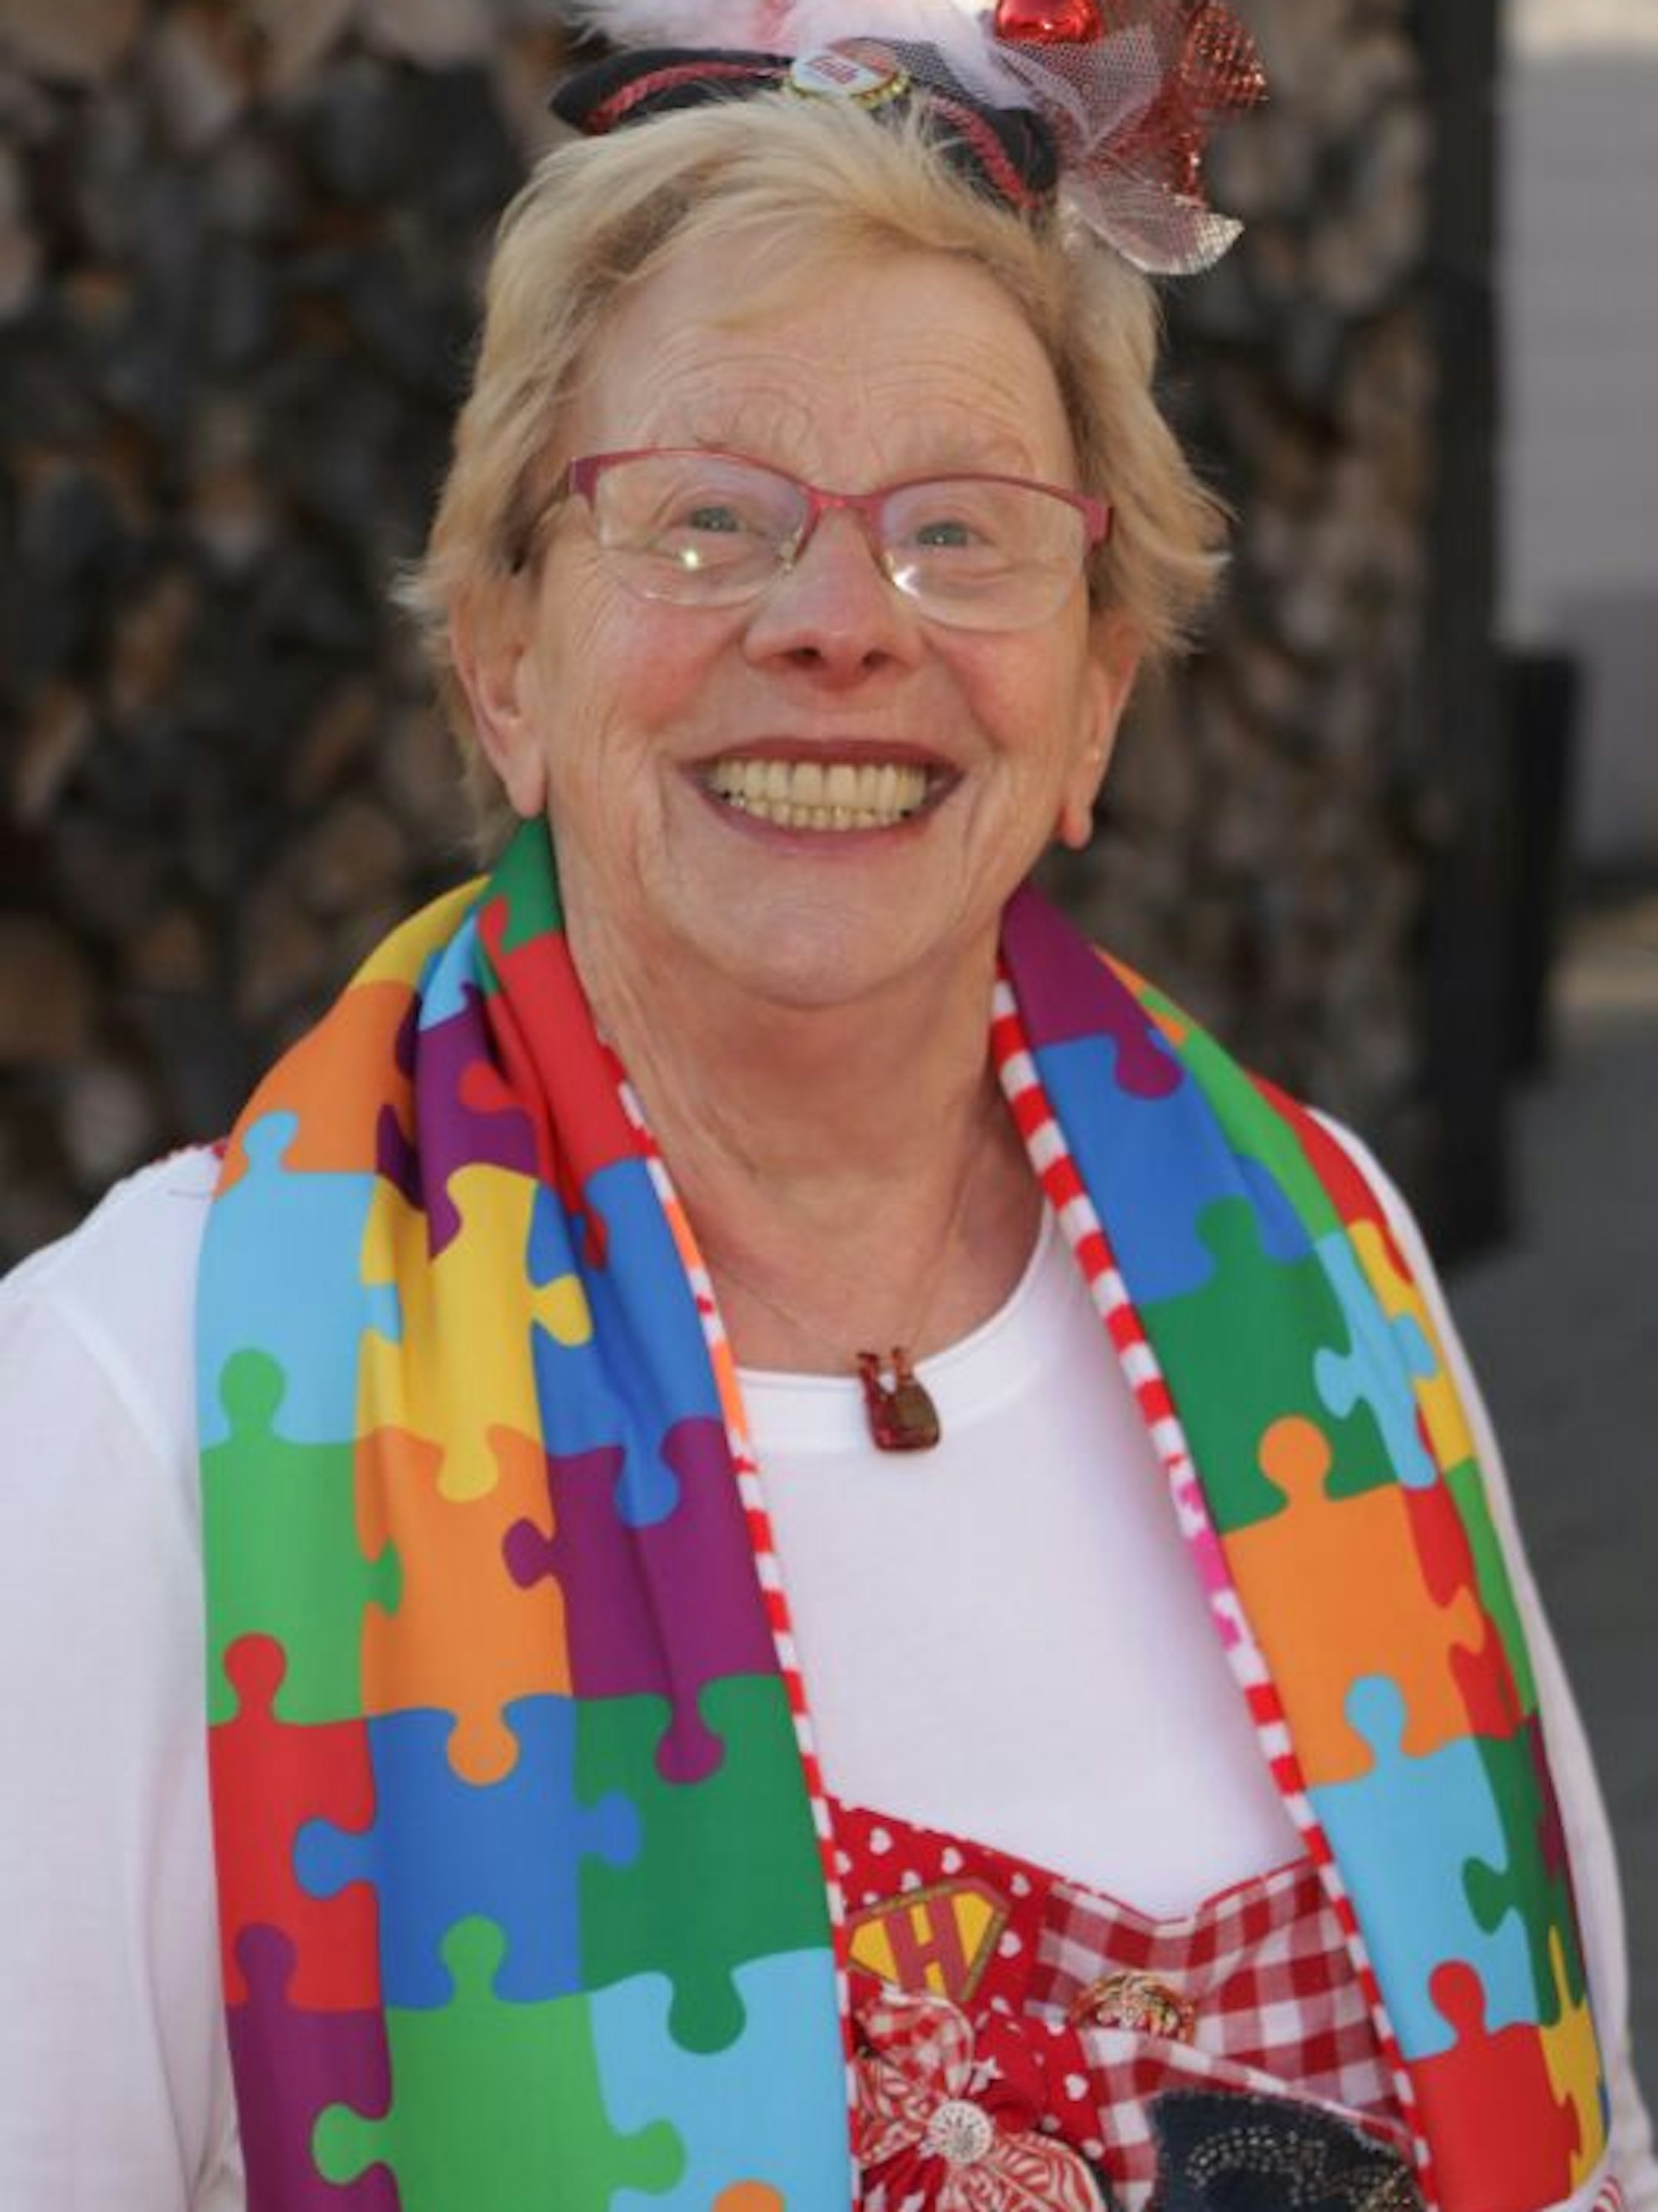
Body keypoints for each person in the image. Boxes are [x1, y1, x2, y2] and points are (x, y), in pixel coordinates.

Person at [1, 5, 1652, 2208]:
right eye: (704, 520)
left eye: (961, 530)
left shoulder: (1330, 1256)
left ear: (1093, 702)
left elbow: (1596, 2143)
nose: (840, 623)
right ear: (503, 663)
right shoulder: (145, 1405)